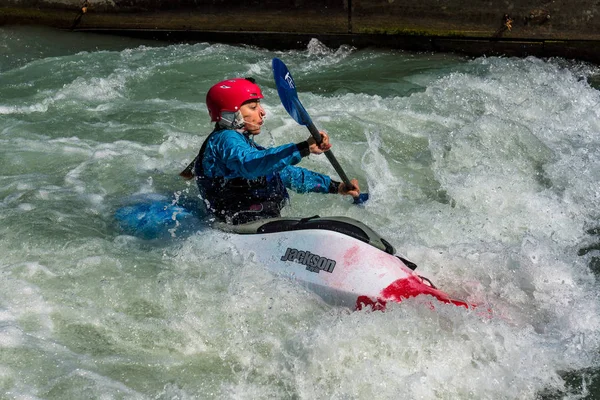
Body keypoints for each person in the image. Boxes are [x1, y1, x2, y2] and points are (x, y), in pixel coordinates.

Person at [182, 77, 361, 225]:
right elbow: (250, 165)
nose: (262, 112)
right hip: (239, 225)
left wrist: (334, 186)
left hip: (258, 222)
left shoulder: (241, 143)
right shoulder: (226, 139)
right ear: (230, 114)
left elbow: (287, 174)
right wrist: (303, 148)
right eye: (253, 107)